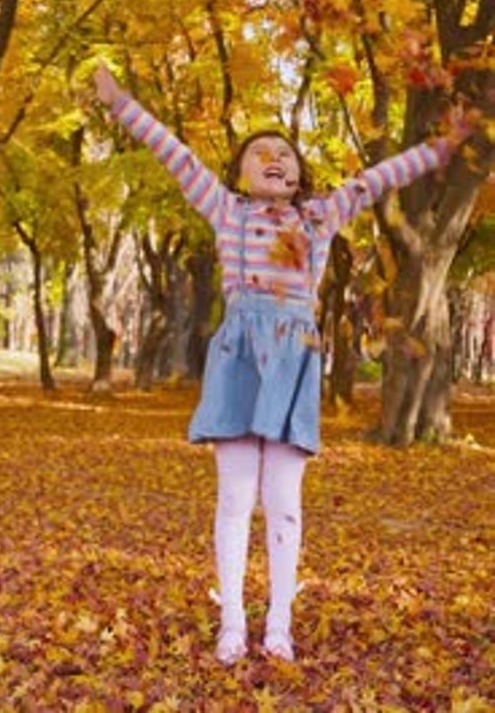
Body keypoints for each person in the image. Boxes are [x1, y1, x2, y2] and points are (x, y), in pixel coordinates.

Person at [93, 63, 467, 665]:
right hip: (241, 359)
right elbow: (175, 154)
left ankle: (280, 626)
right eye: (261, 152)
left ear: (300, 175)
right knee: (236, 498)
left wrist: (442, 147)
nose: (276, 158)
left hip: (293, 362)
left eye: (286, 154)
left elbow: (379, 177)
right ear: (239, 173)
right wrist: (120, 105)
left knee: (285, 501)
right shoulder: (227, 212)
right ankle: (234, 624)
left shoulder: (318, 218)